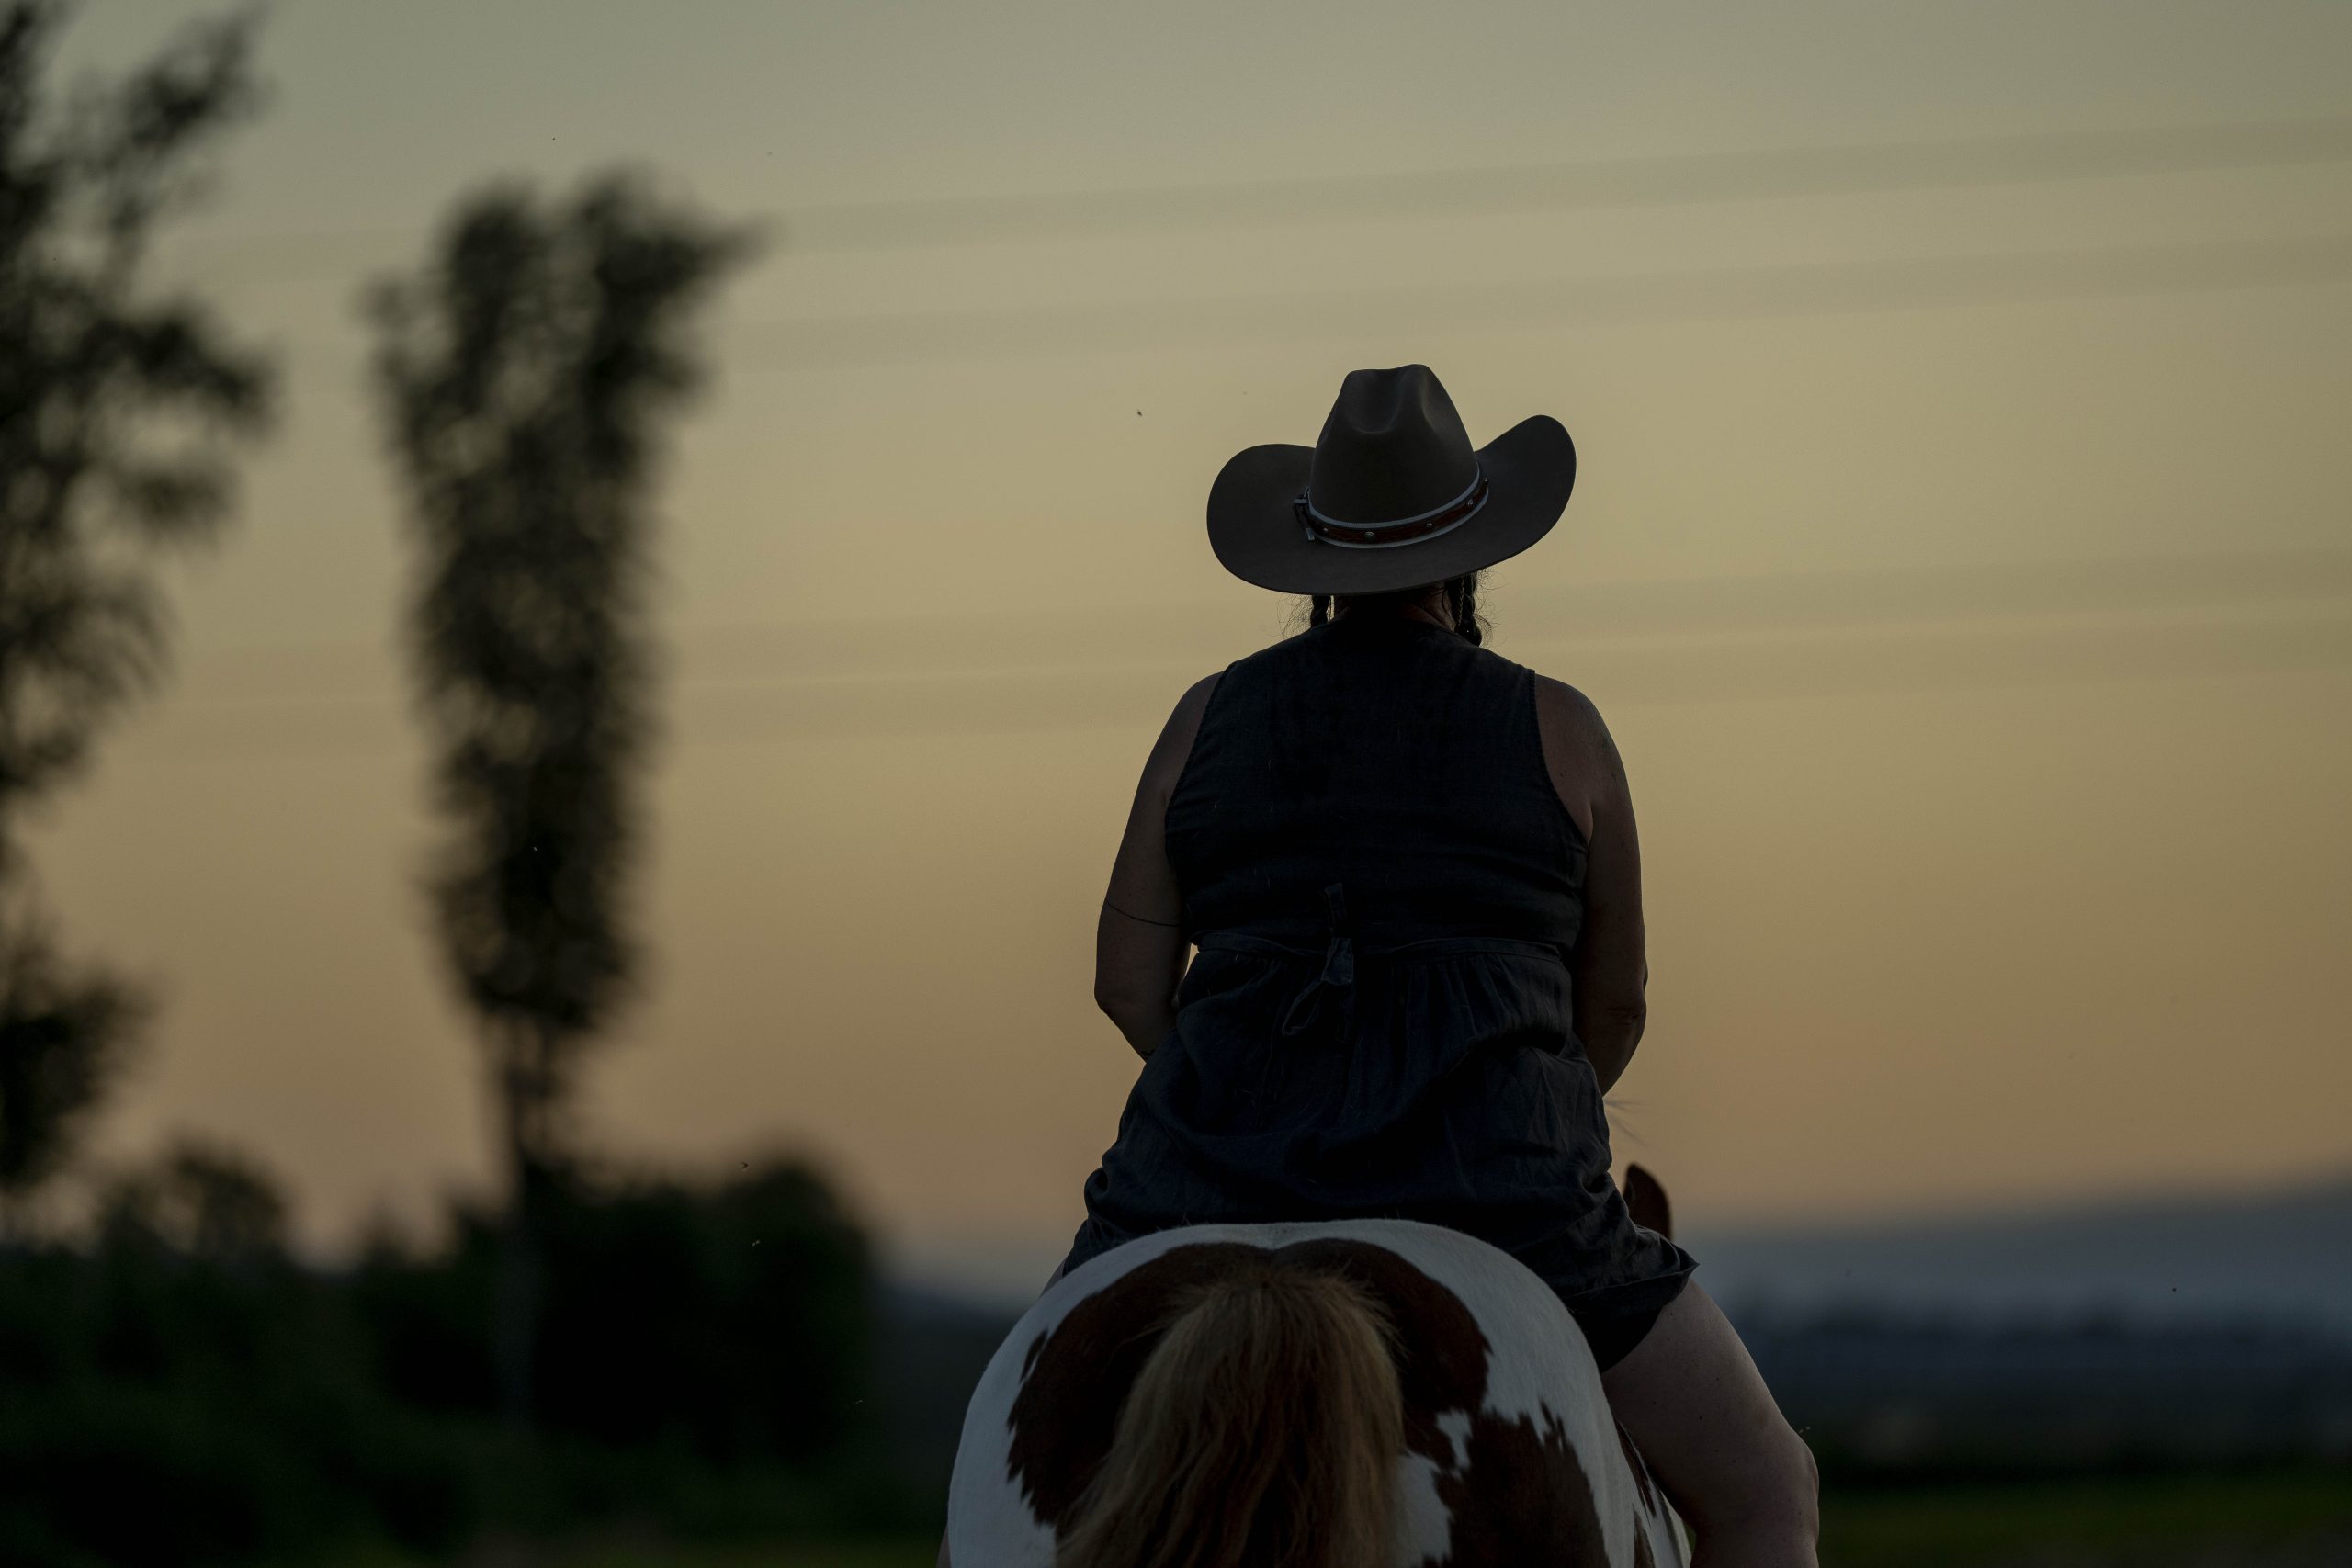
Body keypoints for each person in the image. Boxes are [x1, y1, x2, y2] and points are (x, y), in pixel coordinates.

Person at [1059, 366, 1819, 1567]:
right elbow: (1610, 1005)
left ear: (1310, 560)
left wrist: (1257, 1086)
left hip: (1198, 1179)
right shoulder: (1562, 728)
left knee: (1001, 1458)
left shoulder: (1203, 718)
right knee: (1770, 1491)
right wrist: (1534, 1100)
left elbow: (1125, 987)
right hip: (1507, 1193)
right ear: (1467, 554)